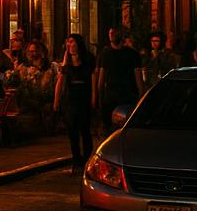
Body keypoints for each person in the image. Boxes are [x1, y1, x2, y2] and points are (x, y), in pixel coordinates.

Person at [54, 33, 96, 174]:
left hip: (83, 98)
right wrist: (57, 100)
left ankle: (85, 159)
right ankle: (76, 160)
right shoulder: (67, 62)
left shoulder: (88, 59)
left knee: (85, 130)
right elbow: (61, 80)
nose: (70, 45)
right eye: (68, 43)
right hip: (70, 100)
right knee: (72, 131)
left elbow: (93, 79)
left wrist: (94, 97)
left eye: (72, 42)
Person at [95, 25, 143, 133]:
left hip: (127, 95)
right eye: (111, 33)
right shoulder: (105, 54)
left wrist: (141, 94)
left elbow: (138, 75)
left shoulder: (132, 54)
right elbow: (101, 77)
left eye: (114, 33)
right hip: (112, 96)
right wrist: (99, 96)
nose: (112, 35)